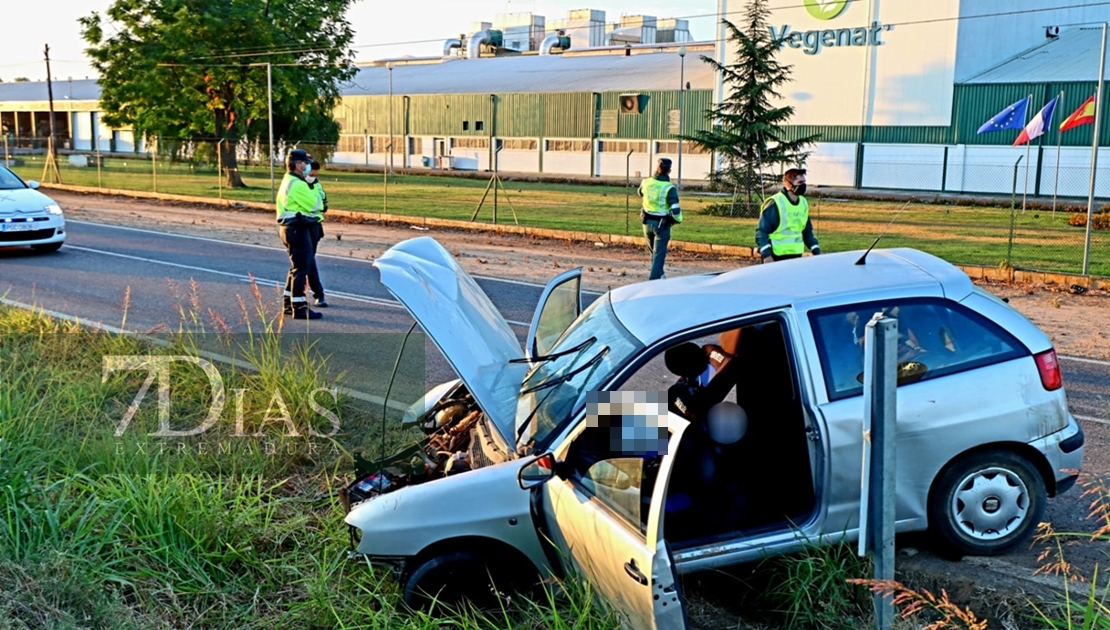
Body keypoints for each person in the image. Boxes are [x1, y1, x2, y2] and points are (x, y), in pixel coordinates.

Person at [276, 149, 323, 320]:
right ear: (298, 165)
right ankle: (300, 307)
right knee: (302, 268)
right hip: (297, 228)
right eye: (305, 162)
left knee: (296, 267)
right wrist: (316, 186)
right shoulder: (297, 184)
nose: (308, 165)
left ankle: (289, 304)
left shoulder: (292, 180)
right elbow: (317, 204)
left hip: (292, 228)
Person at [755, 168, 820, 263]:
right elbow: (761, 232)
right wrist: (767, 256)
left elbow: (807, 232)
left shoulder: (803, 203)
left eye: (804, 182)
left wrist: (816, 250)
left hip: (796, 256)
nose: (803, 186)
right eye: (800, 182)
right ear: (788, 184)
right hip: (775, 256)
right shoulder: (775, 203)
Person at [638, 157, 683, 280]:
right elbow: (676, 211)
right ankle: (653, 282)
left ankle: (661, 275)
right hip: (661, 226)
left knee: (654, 253)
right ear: (669, 171)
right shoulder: (669, 188)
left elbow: (640, 193)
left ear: (657, 168)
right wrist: (678, 220)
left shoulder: (646, 182)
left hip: (646, 223)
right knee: (658, 255)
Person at [304, 160, 329, 308]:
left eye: (315, 175)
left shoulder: (317, 185)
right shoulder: (298, 185)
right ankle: (315, 293)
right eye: (311, 174)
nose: (313, 177)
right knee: (304, 262)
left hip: (314, 226)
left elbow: (324, 205)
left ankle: (318, 293)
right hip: (301, 225)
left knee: (308, 261)